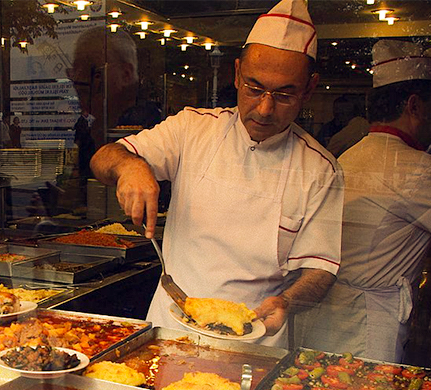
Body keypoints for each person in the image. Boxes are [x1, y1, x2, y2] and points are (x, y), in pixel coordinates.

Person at [90, 0, 344, 348]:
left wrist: (288, 301)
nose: (265, 108)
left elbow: (320, 269)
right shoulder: (191, 129)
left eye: (284, 94)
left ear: (309, 89)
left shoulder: (320, 169)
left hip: (254, 341)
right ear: (236, 74)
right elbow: (103, 158)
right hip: (170, 329)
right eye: (254, 88)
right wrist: (129, 166)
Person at [294, 40, 431, 363]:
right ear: (414, 107)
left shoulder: (352, 153)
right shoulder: (417, 170)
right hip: (367, 323)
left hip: (324, 315)